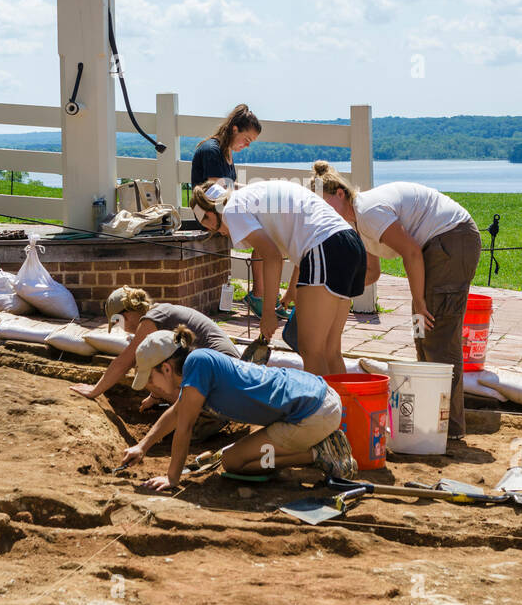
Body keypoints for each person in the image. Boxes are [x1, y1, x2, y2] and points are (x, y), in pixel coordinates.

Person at [309, 162, 480, 440]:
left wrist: (419, 302)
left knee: (437, 335)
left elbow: (411, 252)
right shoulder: (355, 224)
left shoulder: (369, 213)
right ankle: (433, 421)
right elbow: (372, 272)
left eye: (324, 202)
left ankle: (449, 429)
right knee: (421, 335)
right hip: (436, 247)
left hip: (451, 240)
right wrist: (334, 292)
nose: (321, 210)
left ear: (340, 193)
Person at [118, 325, 357, 491]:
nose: (151, 387)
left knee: (234, 462)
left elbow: (184, 427)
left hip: (312, 414)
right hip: (317, 398)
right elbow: (177, 412)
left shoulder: (197, 365)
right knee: (231, 455)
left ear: (167, 369)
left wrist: (172, 478)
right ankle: (317, 444)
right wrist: (142, 446)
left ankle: (318, 453)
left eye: (151, 379)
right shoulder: (199, 362)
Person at [191, 179, 365, 376]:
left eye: (207, 223)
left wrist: (268, 313)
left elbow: (272, 257)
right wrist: (292, 290)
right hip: (349, 243)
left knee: (311, 350)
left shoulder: (231, 210)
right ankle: (344, 406)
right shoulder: (251, 197)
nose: (211, 231)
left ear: (211, 210)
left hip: (325, 246)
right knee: (330, 350)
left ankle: (321, 406)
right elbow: (299, 233)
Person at [68, 286, 239, 439]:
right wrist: (156, 396)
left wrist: (94, 391)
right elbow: (168, 357)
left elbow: (125, 361)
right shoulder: (160, 312)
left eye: (118, 323)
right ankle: (203, 411)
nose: (124, 329)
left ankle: (205, 416)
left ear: (126, 315)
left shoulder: (150, 320)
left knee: (142, 367)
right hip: (228, 374)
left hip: (223, 382)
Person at [187, 105, 290, 317]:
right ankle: (261, 296)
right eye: (247, 139)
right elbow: (217, 196)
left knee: (268, 230)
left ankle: (262, 294)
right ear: (234, 129)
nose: (247, 145)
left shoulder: (225, 152)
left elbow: (230, 192)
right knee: (266, 235)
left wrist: (264, 192)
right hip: (209, 216)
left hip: (222, 211)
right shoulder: (211, 151)